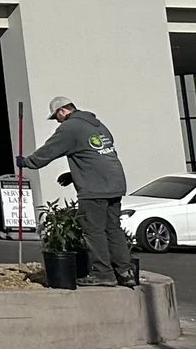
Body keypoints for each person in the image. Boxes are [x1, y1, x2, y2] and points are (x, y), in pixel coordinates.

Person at [19, 94, 137, 286]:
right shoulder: (97, 125)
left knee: (93, 231)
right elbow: (95, 156)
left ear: (62, 111)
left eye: (56, 116)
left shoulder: (70, 127)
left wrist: (27, 162)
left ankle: (103, 274)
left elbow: (50, 149)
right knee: (113, 229)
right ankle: (125, 272)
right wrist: (73, 175)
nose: (56, 121)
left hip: (95, 188)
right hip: (115, 184)